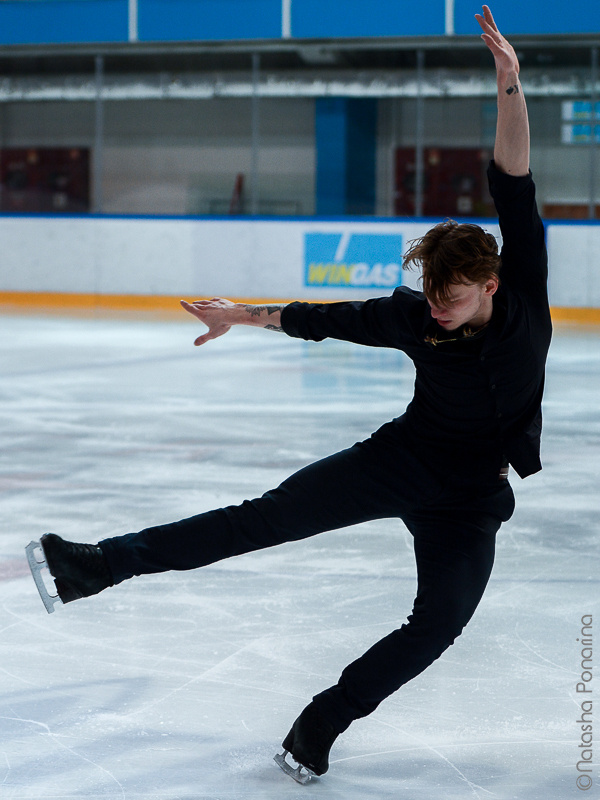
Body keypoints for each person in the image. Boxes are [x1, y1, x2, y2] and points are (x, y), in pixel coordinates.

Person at [27, 6, 551, 783]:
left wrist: (510, 84)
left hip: (472, 495)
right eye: (431, 295)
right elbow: (322, 319)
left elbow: (513, 179)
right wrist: (241, 314)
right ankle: (97, 565)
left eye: (453, 298)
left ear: (490, 285)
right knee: (261, 520)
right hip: (401, 460)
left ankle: (321, 721)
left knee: (439, 624)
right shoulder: (412, 316)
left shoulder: (525, 286)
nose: (437, 309)